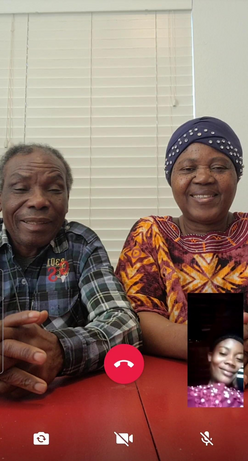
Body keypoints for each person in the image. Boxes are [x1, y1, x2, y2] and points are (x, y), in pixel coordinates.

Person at [0, 143, 142, 398]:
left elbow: (124, 322)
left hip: (63, 399)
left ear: (66, 201)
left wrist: (60, 351)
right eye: (20, 188)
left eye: (54, 189)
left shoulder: (81, 245)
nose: (39, 201)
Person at [115, 116, 248, 382]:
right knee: (187, 425)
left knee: (225, 423)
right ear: (171, 178)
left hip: (238, 377)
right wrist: (205, 342)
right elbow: (135, 318)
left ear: (237, 175)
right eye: (188, 169)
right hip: (165, 378)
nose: (203, 178)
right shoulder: (149, 233)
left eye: (219, 167)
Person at [188, 334, 244, 407]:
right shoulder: (187, 393)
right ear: (210, 356)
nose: (231, 362)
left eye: (239, 359)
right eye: (223, 353)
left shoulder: (242, 398)